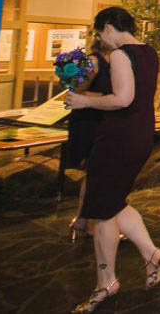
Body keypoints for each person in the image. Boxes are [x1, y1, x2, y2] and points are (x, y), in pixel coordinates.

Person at [65, 7, 160, 312]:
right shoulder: (149, 52)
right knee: (113, 203)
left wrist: (84, 100)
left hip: (117, 138)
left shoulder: (123, 55)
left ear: (110, 27)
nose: (101, 39)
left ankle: (106, 283)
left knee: (101, 208)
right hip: (139, 135)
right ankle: (152, 255)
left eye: (101, 32)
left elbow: (123, 98)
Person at [66, 37, 112, 242]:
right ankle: (87, 221)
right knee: (94, 171)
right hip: (89, 121)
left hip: (104, 118)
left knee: (96, 172)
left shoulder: (117, 60)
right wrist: (105, 95)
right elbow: (74, 91)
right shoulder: (92, 61)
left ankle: (84, 220)